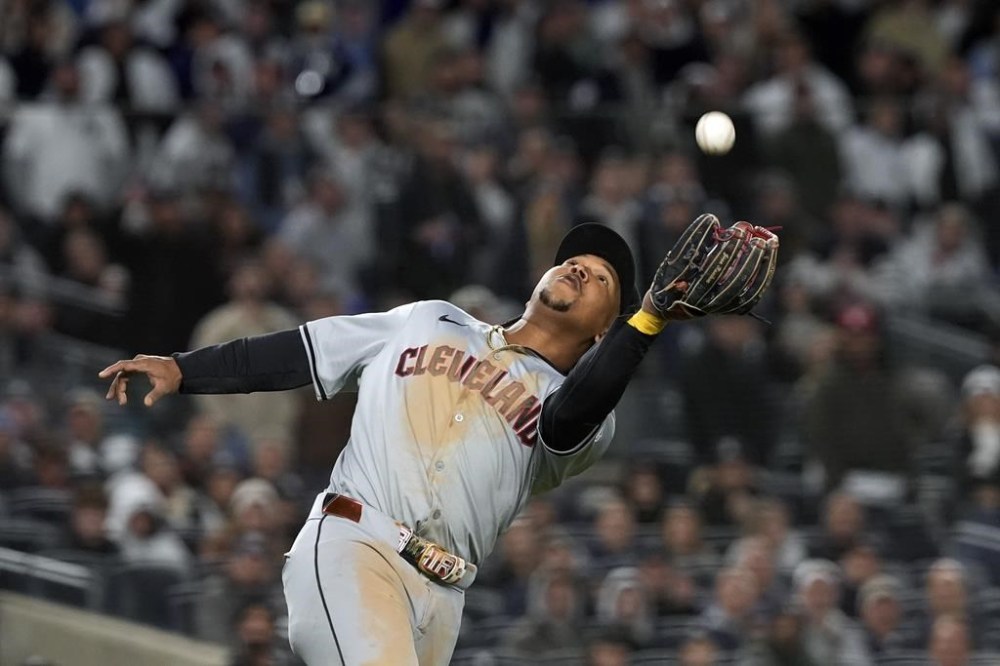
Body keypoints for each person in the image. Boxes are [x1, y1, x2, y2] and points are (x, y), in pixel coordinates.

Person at [98, 220, 775, 665]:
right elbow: (302, 351)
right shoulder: (430, 320)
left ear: (606, 330)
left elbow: (567, 420)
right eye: (573, 261)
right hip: (356, 545)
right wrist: (185, 369)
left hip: (444, 597)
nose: (578, 269)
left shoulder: (585, 410)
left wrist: (647, 321)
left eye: (600, 278)